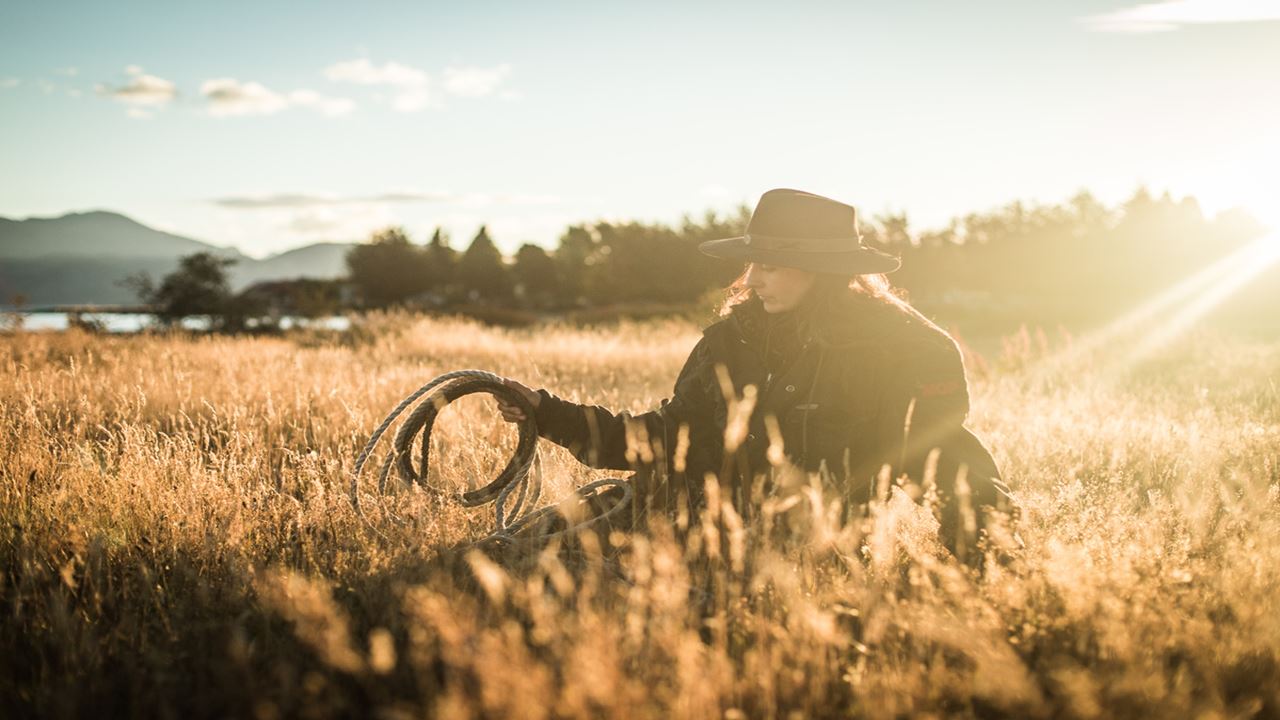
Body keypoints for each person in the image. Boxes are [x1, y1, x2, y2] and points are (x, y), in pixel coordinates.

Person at [498, 188, 1015, 564]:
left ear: (822, 269)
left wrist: (995, 563)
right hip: (673, 513)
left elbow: (945, 464)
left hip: (792, 551)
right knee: (506, 558)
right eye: (752, 263)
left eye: (769, 264)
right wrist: (549, 414)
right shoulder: (731, 339)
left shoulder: (902, 349)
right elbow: (667, 436)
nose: (752, 278)